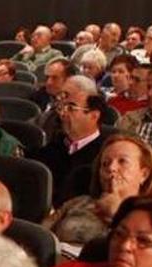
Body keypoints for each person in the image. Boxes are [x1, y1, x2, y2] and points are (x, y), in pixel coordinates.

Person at [45, 135, 152, 258]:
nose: (111, 168)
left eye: (122, 161)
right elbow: (40, 234)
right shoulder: (80, 202)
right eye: (105, 164)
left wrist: (116, 213)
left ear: (144, 174)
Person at [31, 76, 109, 206]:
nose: (62, 114)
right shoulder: (58, 144)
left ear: (94, 115)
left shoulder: (103, 156)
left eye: (71, 108)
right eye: (62, 107)